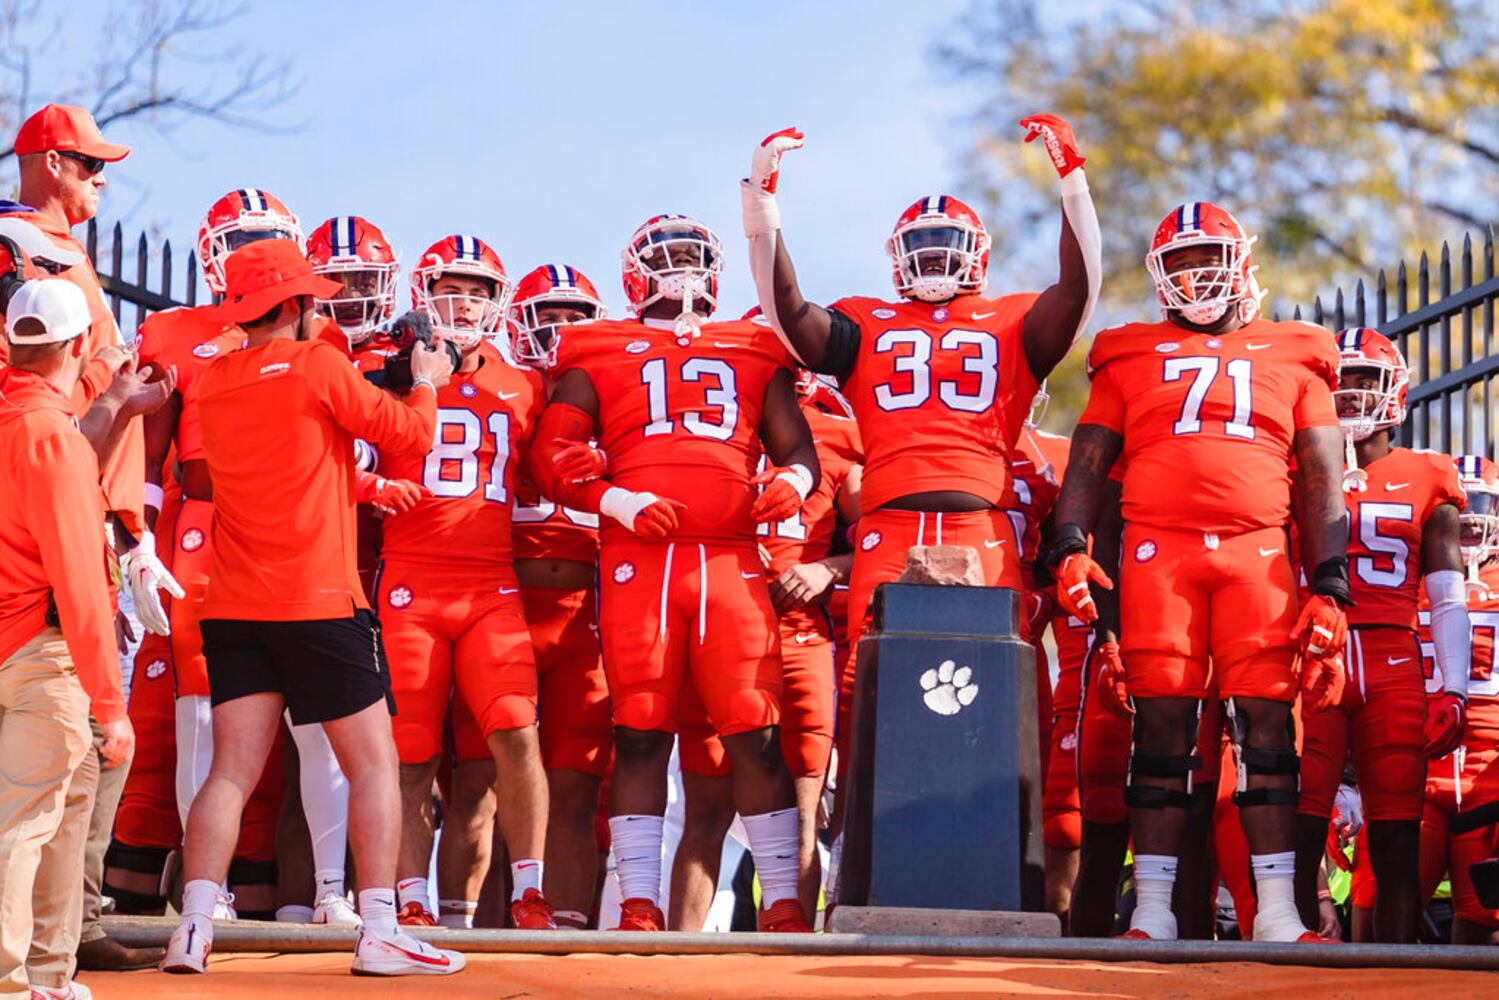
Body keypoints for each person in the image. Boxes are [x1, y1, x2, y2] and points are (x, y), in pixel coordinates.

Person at [738, 118, 1101, 804]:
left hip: (981, 523)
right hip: (889, 525)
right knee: (866, 689)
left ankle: (998, 838)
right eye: (921, 249)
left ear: (977, 255)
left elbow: (1078, 290)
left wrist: (1071, 181)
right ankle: (864, 850)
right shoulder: (864, 320)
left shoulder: (1012, 319)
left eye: (945, 248)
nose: (933, 261)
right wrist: (762, 203)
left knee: (1001, 681)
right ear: (897, 257)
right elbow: (787, 312)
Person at [159, 239, 463, 976]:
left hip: (234, 603)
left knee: (230, 772)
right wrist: (426, 381)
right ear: (294, 304)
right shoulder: (318, 365)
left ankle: (192, 929)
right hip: (320, 599)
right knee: (375, 765)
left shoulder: (216, 379)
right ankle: (380, 928)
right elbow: (413, 435)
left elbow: (230, 466)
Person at [1047, 201, 1349, 943]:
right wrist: (1070, 543)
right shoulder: (1125, 352)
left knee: (1267, 728)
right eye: (1178, 266)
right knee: (1161, 726)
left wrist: (1330, 583)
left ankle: (1277, 911)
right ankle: (1152, 911)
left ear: (1241, 263)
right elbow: (1088, 460)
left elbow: (1320, 474)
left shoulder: (1298, 349)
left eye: (1205, 261)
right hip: (1159, 552)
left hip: (1258, 551)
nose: (1193, 279)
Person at [527, 214, 821, 933]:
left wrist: (792, 481)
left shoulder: (754, 346)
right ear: (635, 272)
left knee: (755, 728)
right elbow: (552, 455)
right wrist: (616, 500)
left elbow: (800, 450)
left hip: (729, 555)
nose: (683, 266)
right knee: (640, 729)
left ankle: (783, 904)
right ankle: (638, 903)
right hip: (642, 559)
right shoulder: (594, 347)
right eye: (669, 254)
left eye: (694, 253)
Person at [137, 187, 358, 923]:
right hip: (206, 526)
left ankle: (331, 889)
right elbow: (152, 455)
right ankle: (214, 890)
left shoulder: (321, 337)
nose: (249, 254)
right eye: (238, 240)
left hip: (297, 524)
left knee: (320, 717)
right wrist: (137, 538)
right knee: (203, 713)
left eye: (264, 239)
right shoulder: (172, 331)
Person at [0, 104, 161, 972]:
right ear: (51, 162)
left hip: (80, 501)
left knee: (61, 783)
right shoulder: (26, 245)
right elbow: (53, 401)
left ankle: (55, 950)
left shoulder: (60, 255)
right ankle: (33, 960)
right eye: (89, 164)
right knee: (56, 780)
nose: (101, 179)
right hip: (52, 536)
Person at [372, 234, 557, 930]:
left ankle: (530, 892)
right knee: (410, 752)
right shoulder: (387, 371)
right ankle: (410, 897)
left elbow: (547, 470)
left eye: (480, 293)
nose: (467, 304)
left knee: (516, 731)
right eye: (453, 290)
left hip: (489, 582)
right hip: (410, 582)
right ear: (424, 294)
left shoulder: (524, 384)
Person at [1292, 327, 1467, 942]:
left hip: (1393, 658)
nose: (1351, 392)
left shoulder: (1429, 474)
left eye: (1366, 379)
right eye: (1341, 381)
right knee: (1299, 825)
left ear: (1396, 391)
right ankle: (1293, 965)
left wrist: (1454, 687)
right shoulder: (1292, 467)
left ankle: (1396, 970)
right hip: (1314, 654)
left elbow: (1447, 594)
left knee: (1396, 838)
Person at [672, 366, 863, 930]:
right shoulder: (704, 425)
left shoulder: (838, 435)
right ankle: (672, 959)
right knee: (706, 810)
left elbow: (883, 538)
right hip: (715, 627)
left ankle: (787, 954)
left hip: (798, 633)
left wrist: (828, 568)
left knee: (801, 815)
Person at [506, 264, 613, 929]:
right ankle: (486, 932)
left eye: (576, 318)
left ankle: (569, 937)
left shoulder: (617, 395)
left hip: (586, 616)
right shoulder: (501, 390)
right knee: (491, 787)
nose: (562, 331)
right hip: (503, 605)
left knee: (576, 786)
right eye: (549, 317)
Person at [1415, 455, 1499, 944]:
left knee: (1485, 910)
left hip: (1490, 765)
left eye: (1480, 509)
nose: (1469, 523)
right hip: (1418, 759)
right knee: (1381, 890)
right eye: (1461, 511)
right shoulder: (1407, 579)